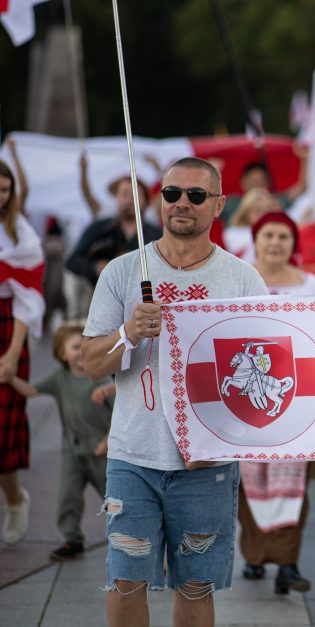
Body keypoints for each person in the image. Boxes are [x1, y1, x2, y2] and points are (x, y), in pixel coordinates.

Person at [81, 157, 268, 627]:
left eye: (196, 195)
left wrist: (224, 440)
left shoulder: (243, 280)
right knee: (125, 582)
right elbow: (88, 364)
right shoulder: (122, 273)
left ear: (220, 205)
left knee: (195, 585)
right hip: (134, 459)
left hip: (206, 468)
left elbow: (266, 372)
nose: (182, 203)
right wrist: (128, 332)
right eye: (172, 194)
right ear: (158, 200)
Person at [238, 211, 315, 595]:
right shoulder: (240, 277)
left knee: (292, 483)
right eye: (269, 235)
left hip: (298, 401)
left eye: (283, 235)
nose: (276, 242)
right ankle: (256, 554)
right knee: (249, 483)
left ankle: (288, 565)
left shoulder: (309, 283)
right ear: (256, 238)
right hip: (245, 404)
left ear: (294, 243)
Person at [3, 320, 114, 560]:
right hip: (72, 454)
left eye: (85, 347)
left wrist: (108, 441)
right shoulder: (59, 378)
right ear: (61, 353)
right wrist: (11, 378)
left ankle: (126, 536)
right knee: (68, 497)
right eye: (75, 347)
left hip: (101, 453)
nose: (81, 353)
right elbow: (31, 391)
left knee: (114, 499)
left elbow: (120, 413)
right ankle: (72, 539)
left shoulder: (101, 379)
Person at [0, 159, 45, 546]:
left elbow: (26, 300)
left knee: (2, 429)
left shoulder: (21, 237)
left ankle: (15, 499)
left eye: (4, 189)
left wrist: (13, 352)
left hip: (6, 328)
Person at [67, 174, 162, 287]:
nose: (129, 199)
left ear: (145, 201)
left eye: (135, 194)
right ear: (117, 198)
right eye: (124, 194)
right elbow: (73, 261)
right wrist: (95, 268)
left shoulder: (157, 235)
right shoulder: (98, 228)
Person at [223, 188, 283, 264]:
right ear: (246, 212)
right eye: (257, 211)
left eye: (267, 211)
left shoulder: (278, 230)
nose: (263, 215)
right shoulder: (232, 232)